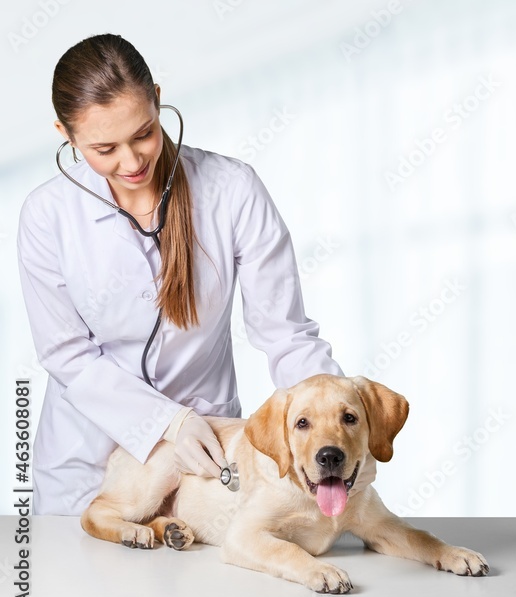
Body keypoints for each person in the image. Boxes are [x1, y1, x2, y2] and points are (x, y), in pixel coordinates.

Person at [17, 33, 372, 515]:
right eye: (104, 148)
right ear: (66, 135)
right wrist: (167, 421)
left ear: (159, 102)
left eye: (143, 133)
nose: (132, 161)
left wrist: (342, 424)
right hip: (85, 460)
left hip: (205, 462)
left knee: (201, 586)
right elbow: (67, 354)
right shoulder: (47, 215)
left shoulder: (232, 191)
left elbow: (284, 335)